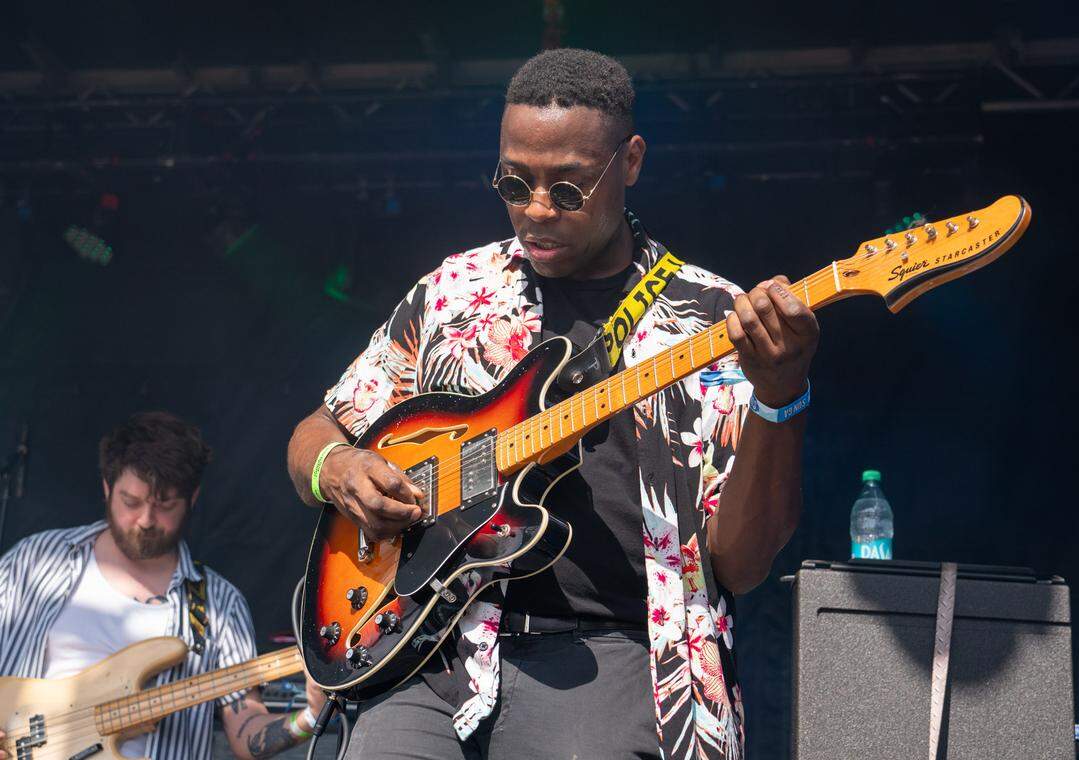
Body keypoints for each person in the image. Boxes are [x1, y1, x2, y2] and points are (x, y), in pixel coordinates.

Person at [287, 48, 818, 759]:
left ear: (629, 162)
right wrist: (340, 468)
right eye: (514, 182)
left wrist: (781, 398)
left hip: (615, 660)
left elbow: (743, 564)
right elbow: (315, 433)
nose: (535, 210)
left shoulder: (712, 320)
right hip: (433, 652)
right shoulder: (453, 293)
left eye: (567, 190)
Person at [0, 411, 325, 760]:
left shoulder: (219, 603)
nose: (146, 520)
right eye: (131, 501)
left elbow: (246, 730)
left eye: (165, 504)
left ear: (193, 499)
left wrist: (308, 717)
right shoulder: (36, 559)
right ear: (107, 488)